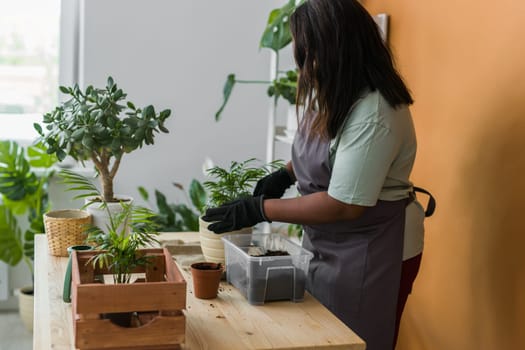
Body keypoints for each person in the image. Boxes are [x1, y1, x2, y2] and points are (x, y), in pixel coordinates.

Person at [202, 0, 428, 349]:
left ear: (338, 48)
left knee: (353, 341)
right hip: (332, 241)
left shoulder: (376, 111)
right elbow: (330, 151)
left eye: (309, 53)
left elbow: (344, 205)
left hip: (375, 246)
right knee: (320, 334)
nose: (305, 64)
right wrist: (285, 174)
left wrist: (260, 208)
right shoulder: (335, 88)